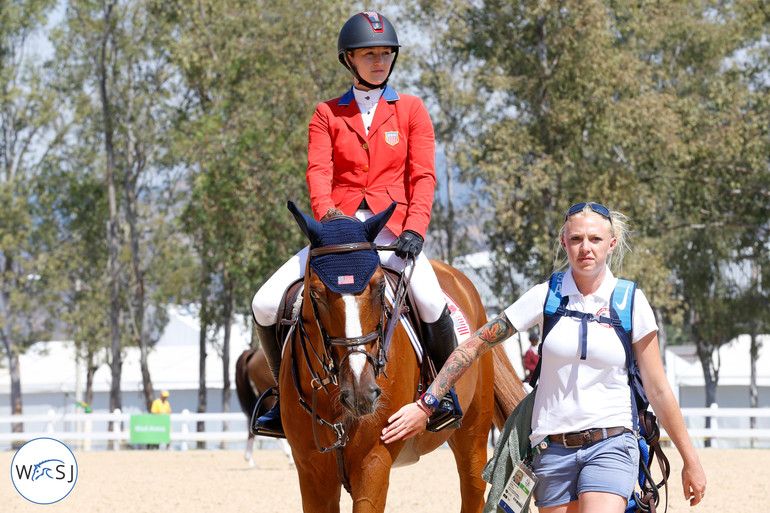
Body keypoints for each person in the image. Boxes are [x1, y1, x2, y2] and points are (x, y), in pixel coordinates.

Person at [381, 202, 707, 512]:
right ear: (564, 243)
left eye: (595, 239)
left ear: (611, 243)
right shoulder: (545, 296)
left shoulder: (632, 301)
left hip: (612, 444)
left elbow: (659, 389)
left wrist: (690, 459)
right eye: (576, 239)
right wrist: (427, 403)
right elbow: (473, 345)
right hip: (551, 450)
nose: (586, 248)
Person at [250, 12, 461, 438]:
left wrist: (415, 230)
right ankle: (279, 395)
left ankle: (443, 395)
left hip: (393, 230)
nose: (379, 61)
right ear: (349, 59)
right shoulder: (327, 113)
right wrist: (332, 221)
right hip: (338, 233)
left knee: (432, 302)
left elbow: (423, 176)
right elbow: (317, 173)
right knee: (265, 302)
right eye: (369, 54)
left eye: (385, 54)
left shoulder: (412, 110)